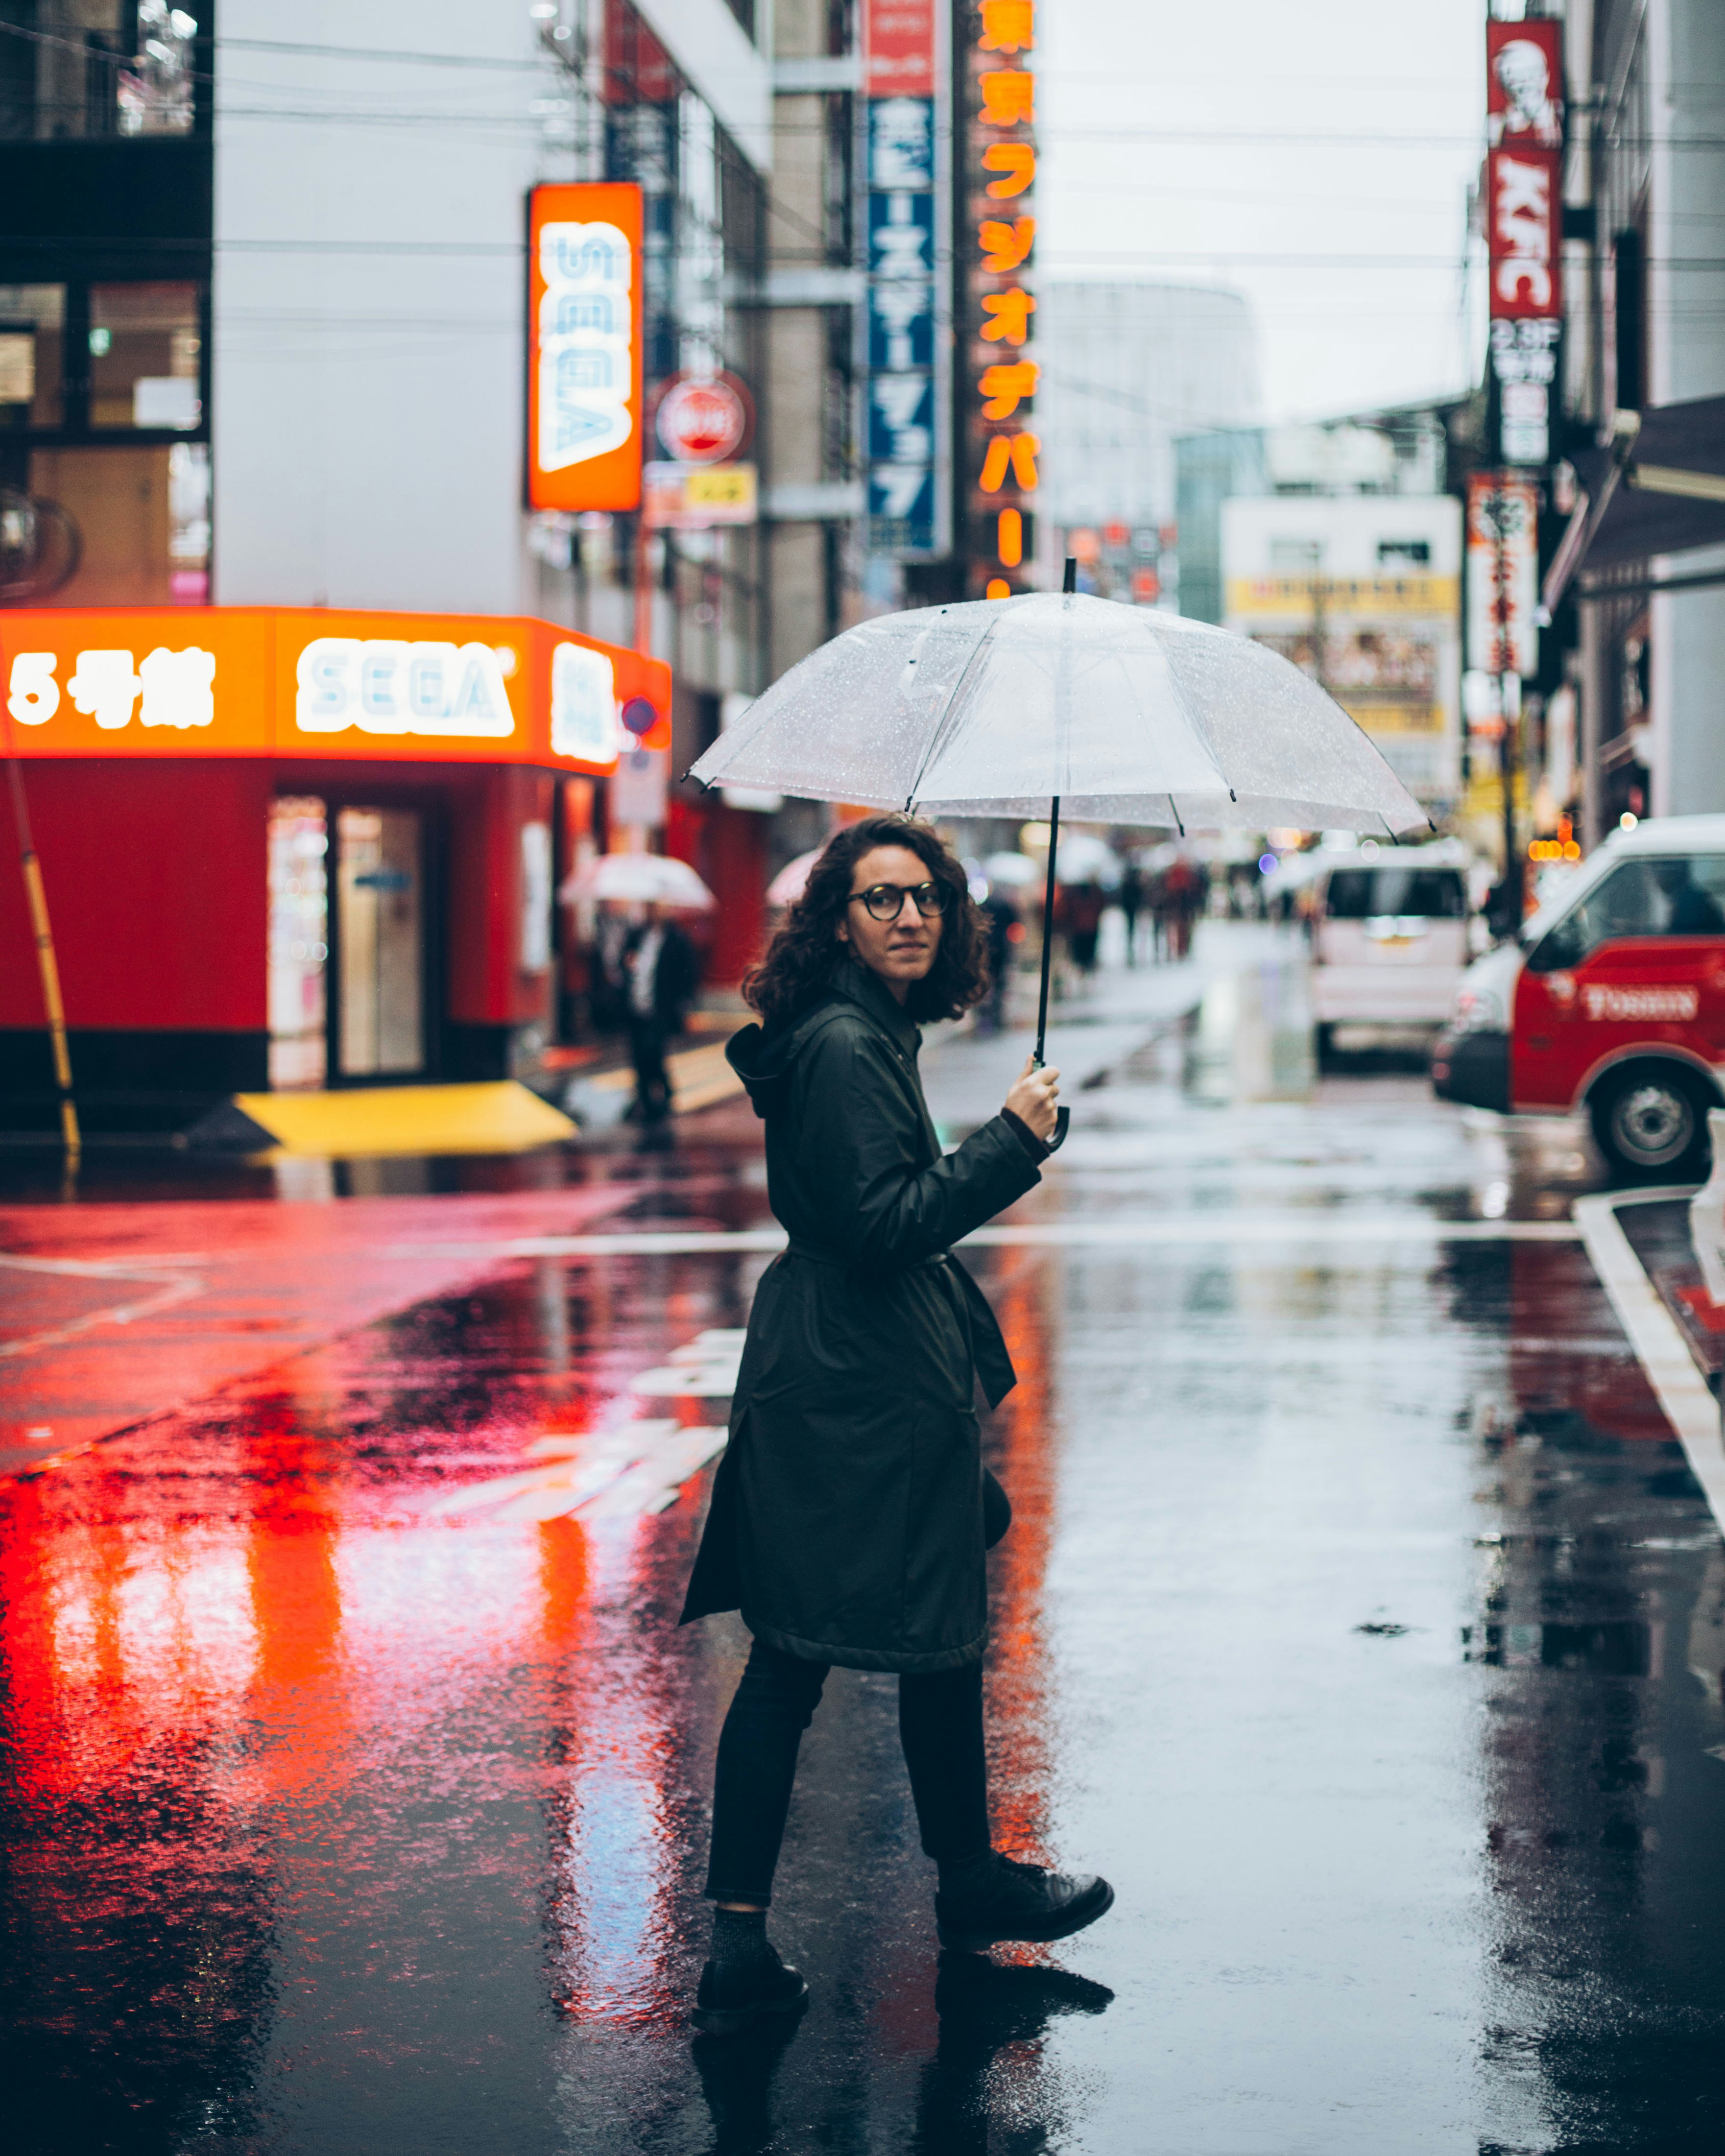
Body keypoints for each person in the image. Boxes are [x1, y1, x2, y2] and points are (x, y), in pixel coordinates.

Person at [680, 813, 1113, 2036]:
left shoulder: (865, 1031)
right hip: (852, 1385)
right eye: (880, 898)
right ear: (836, 918)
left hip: (849, 1371)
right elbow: (886, 1221)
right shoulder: (842, 1044)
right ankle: (849, 1912)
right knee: (835, 1643)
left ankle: (785, 1927)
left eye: (925, 896)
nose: (909, 915)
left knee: (873, 1634)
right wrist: (1009, 1141)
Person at [623, 903, 699, 1123]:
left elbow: (688, 972)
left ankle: (663, 1094)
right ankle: (647, 1099)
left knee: (653, 1050)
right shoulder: (637, 935)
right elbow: (624, 961)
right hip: (636, 1004)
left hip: (661, 1008)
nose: (652, 911)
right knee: (638, 1054)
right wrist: (626, 963)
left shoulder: (676, 938)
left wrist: (683, 1003)